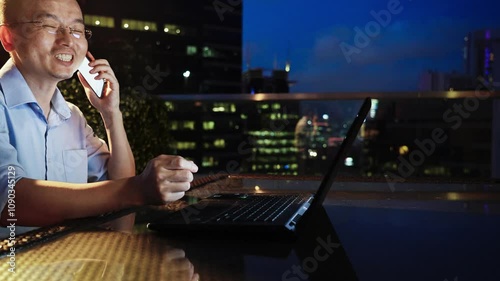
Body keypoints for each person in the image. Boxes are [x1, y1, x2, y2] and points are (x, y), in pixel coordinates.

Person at [0, 0, 198, 235]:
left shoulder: (72, 117)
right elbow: (10, 202)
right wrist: (135, 190)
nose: (68, 40)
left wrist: (111, 113)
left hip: (65, 267)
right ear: (7, 37)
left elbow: (119, 202)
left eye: (77, 30)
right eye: (49, 25)